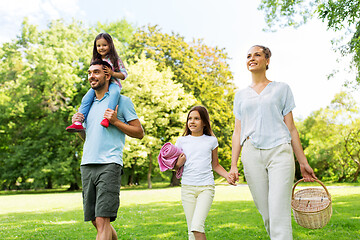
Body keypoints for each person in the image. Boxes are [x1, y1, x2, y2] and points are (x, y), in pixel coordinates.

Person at [229, 45, 316, 240]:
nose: (252, 58)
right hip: (251, 154)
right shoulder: (240, 95)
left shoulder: (281, 89)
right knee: (267, 213)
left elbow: (291, 128)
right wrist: (233, 165)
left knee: (278, 211)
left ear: (267, 61)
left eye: (257, 55)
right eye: (248, 56)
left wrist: (302, 162)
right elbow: (237, 131)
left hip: (279, 152)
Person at [71, 60, 144, 240]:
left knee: (103, 220)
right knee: (96, 221)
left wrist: (116, 122)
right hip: (87, 164)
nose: (91, 76)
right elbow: (87, 137)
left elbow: (139, 133)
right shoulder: (87, 106)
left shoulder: (122, 101)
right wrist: (79, 126)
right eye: (89, 73)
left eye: (96, 72)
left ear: (107, 75)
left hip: (109, 164)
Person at [174, 105, 235, 240]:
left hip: (205, 188)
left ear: (204, 122)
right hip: (187, 188)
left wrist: (228, 176)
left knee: (197, 226)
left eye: (197, 118)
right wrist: (179, 163)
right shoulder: (182, 141)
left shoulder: (211, 141)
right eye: (190, 118)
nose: (192, 121)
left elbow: (216, 165)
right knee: (191, 231)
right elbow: (175, 166)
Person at [66, 33, 128, 132]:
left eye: (104, 45)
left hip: (113, 84)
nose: (101, 48)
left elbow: (124, 75)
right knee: (86, 98)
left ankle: (107, 118)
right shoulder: (96, 60)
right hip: (100, 86)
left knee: (115, 93)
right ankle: (78, 121)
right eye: (98, 46)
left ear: (110, 45)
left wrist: (112, 73)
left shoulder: (115, 59)